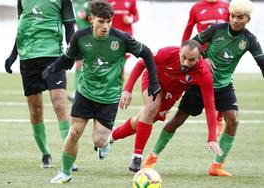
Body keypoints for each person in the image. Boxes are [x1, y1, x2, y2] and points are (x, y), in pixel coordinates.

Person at [42, 0, 160, 183]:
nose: (105, 26)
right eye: (101, 21)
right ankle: (65, 172)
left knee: (99, 140)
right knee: (74, 132)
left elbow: (147, 53)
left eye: (108, 21)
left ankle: (105, 143)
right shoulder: (80, 37)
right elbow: (67, 59)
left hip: (109, 97)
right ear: (91, 19)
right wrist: (52, 68)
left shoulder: (122, 38)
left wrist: (153, 81)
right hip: (85, 93)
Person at [143, 0, 264, 177]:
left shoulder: (250, 40)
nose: (235, 20)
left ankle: (216, 165)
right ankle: (152, 157)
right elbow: (193, 43)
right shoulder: (217, 30)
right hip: (199, 83)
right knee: (177, 120)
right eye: (232, 16)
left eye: (240, 17)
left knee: (233, 119)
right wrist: (203, 57)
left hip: (223, 86)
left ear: (248, 19)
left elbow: (261, 63)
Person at [109, 40, 223, 172]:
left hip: (172, 93)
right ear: (179, 52)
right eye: (183, 57)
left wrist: (212, 138)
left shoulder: (204, 73)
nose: (186, 63)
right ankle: (137, 156)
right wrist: (127, 89)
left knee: (143, 120)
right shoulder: (168, 53)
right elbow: (141, 63)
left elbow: (210, 105)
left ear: (199, 58)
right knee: (151, 107)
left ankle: (111, 136)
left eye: (191, 60)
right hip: (154, 78)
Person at [4, 0, 77, 169]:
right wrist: (13, 54)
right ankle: (45, 153)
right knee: (35, 109)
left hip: (54, 56)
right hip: (28, 57)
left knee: (59, 103)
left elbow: (69, 26)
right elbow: (23, 25)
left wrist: (71, 53)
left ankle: (68, 155)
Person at [181, 0, 230, 136]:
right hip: (200, 55)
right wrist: (183, 48)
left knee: (220, 85)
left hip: (221, 55)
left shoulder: (226, 6)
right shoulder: (197, 7)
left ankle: (219, 117)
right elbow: (189, 28)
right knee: (191, 82)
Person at [68, 0, 92, 101]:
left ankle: (89, 92)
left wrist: (87, 15)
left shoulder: (90, 3)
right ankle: (77, 92)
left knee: (91, 66)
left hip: (90, 38)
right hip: (78, 38)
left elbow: (99, 17)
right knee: (78, 65)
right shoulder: (73, 3)